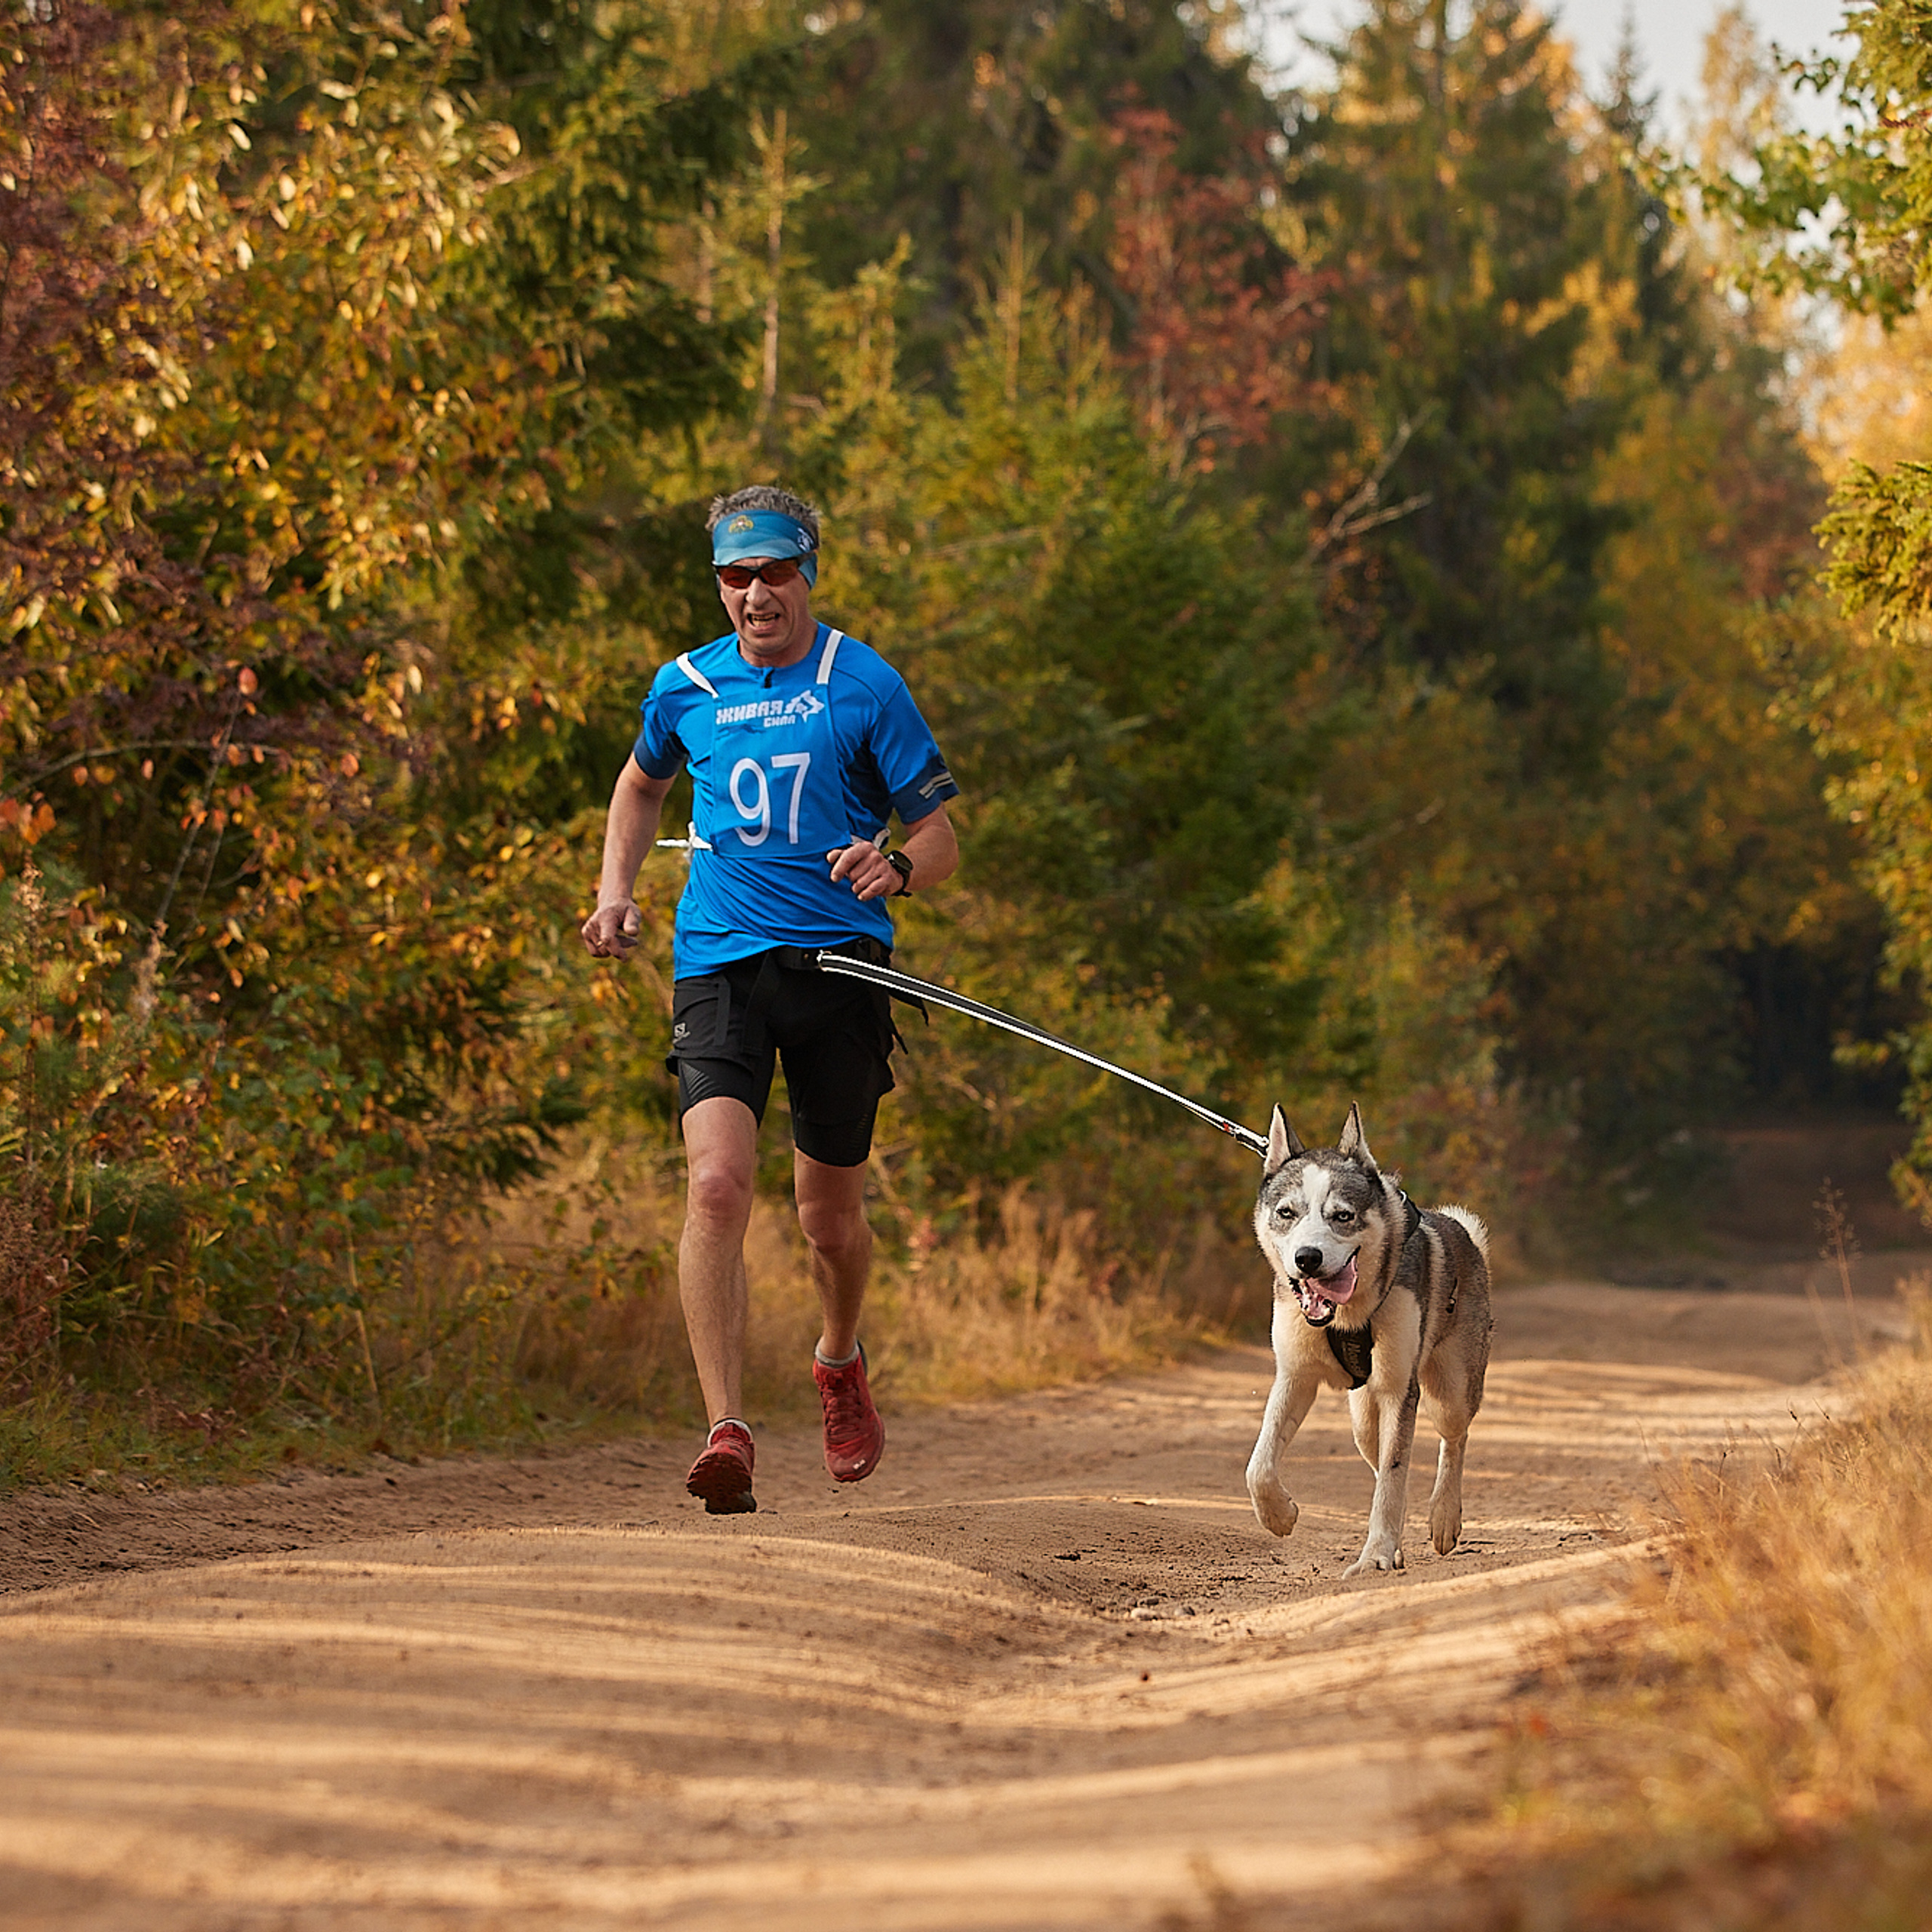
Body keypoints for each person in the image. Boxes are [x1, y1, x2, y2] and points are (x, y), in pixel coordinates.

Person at [580, 486, 960, 1514]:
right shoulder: (686, 684)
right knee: (714, 1189)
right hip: (720, 963)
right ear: (719, 582)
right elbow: (638, 785)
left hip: (840, 972)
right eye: (736, 576)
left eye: (774, 572)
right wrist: (617, 893)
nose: (756, 594)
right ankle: (728, 1432)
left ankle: (839, 1361)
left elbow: (938, 835)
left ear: (808, 573)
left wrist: (898, 870)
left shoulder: (863, 683)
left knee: (829, 1223)